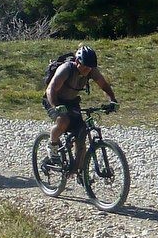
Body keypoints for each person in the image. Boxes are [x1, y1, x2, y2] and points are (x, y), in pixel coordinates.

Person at [43, 45, 118, 174]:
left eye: (89, 67)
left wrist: (112, 99)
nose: (86, 70)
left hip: (71, 102)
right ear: (77, 61)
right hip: (53, 99)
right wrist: (56, 105)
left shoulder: (91, 71)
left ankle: (79, 169)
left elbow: (104, 85)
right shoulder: (66, 69)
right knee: (64, 121)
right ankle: (52, 144)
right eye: (84, 66)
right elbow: (51, 89)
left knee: (81, 132)